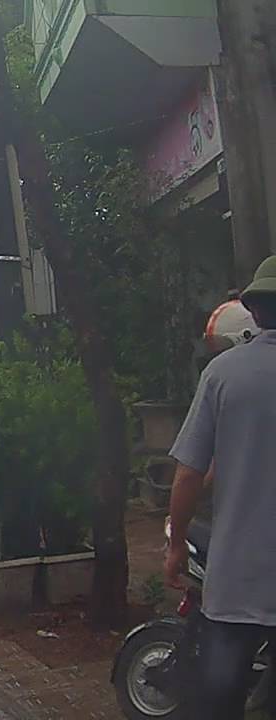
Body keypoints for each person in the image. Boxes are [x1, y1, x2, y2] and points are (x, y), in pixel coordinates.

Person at [166, 255, 276, 719]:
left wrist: (176, 543)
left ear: (255, 311)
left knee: (220, 700)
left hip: (238, 582)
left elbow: (189, 473)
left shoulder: (223, 373)